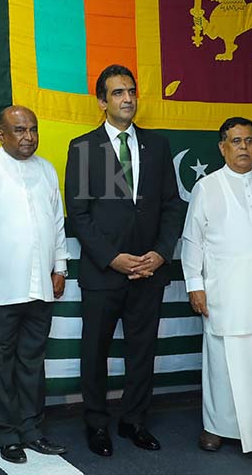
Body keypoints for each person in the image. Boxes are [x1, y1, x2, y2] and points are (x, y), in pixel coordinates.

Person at [64, 64, 184, 456]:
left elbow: (170, 206)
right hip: (104, 272)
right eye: (117, 93)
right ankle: (96, 424)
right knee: (94, 352)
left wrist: (161, 253)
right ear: (101, 101)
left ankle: (134, 421)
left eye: (131, 91)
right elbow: (78, 214)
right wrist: (112, 258)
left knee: (142, 351)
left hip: (149, 271)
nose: (127, 98)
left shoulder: (158, 146)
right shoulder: (82, 148)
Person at [182, 117, 252, 453]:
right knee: (222, 362)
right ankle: (217, 428)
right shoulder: (207, 187)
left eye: (249, 141)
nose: (243, 147)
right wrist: (194, 285)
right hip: (224, 292)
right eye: (235, 141)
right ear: (222, 147)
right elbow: (192, 242)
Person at [0, 106, 69, 464]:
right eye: (18, 130)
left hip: (40, 285)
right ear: (1, 134)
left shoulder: (46, 169)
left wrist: (60, 266)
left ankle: (32, 430)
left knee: (31, 361)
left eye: (32, 129)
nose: (28, 137)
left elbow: (57, 221)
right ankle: (5, 434)